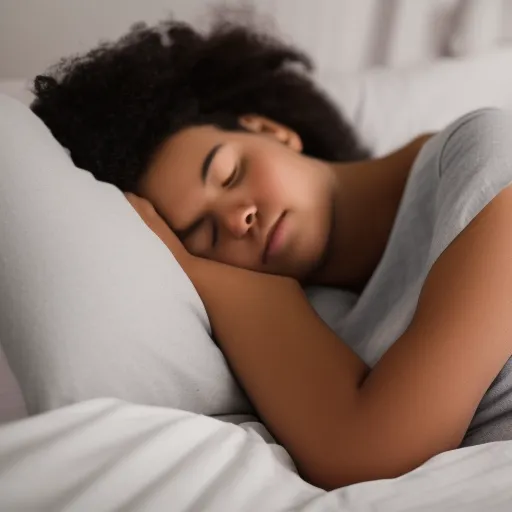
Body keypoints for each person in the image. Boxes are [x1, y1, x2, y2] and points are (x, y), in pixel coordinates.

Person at [30, 17, 512, 490]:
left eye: (228, 174)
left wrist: (208, 273)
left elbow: (373, 453)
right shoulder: (311, 323)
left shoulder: (487, 156)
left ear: (270, 130)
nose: (237, 218)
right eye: (200, 232)